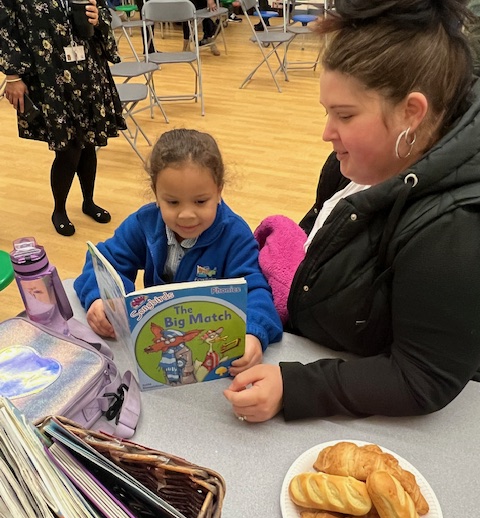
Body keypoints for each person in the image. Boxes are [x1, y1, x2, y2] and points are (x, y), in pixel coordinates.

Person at [224, 0, 480, 422]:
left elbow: (421, 376)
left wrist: (298, 386)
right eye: (328, 112)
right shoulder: (356, 165)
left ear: (411, 113)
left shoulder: (456, 229)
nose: (327, 133)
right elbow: (317, 241)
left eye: (344, 115)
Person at [74, 128, 283, 374]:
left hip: (207, 352)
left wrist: (254, 334)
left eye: (200, 201)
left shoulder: (234, 235)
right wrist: (100, 299)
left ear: (219, 191)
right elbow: (103, 262)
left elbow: (255, 290)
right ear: (156, 194)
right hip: (157, 346)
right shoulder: (145, 223)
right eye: (172, 202)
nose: (186, 215)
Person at [0, 0, 125, 237]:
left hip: (88, 69)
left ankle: (88, 201)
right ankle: (59, 210)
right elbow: (4, 27)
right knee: (68, 148)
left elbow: (104, 15)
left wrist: (98, 20)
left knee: (88, 142)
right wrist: (13, 74)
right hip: (50, 75)